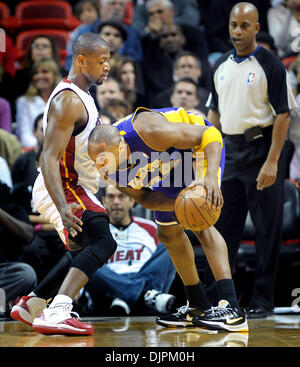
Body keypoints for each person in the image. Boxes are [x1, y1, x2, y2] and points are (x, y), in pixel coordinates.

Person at [87, 106, 249, 332]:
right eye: (98, 161)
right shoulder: (111, 169)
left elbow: (209, 135)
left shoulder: (147, 129)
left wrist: (210, 178)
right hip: (170, 164)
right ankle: (198, 305)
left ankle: (231, 307)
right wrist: (180, 205)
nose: (102, 168)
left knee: (200, 223)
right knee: (168, 233)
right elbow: (146, 198)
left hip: (199, 147)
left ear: (122, 146)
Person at [11, 33, 117, 336]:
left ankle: (31, 304)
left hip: (73, 183)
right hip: (64, 184)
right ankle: (57, 311)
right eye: (102, 60)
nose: (108, 66)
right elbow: (47, 158)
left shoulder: (82, 95)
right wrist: (61, 205)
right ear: (81, 60)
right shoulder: (68, 101)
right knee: (103, 241)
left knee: (82, 247)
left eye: (109, 59)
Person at [206, 2, 297, 319]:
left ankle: (262, 299)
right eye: (233, 25)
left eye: (245, 25)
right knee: (223, 229)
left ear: (257, 27)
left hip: (263, 149)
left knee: (267, 230)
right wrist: (210, 161)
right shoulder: (220, 64)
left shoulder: (270, 64)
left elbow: (284, 115)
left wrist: (273, 162)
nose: (237, 31)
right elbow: (213, 114)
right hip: (229, 152)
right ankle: (223, 300)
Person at [86, 184, 176, 316]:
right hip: (107, 292)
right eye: (111, 197)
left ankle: (131, 295)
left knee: (172, 245)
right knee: (85, 258)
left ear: (132, 201)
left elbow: (161, 266)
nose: (116, 202)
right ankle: (143, 295)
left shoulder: (150, 228)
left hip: (146, 281)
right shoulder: (95, 231)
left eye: (122, 196)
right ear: (103, 201)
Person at [15, 58, 62, 149]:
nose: (39, 76)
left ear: (55, 75)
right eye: (36, 73)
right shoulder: (24, 102)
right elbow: (25, 137)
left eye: (45, 72)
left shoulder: (64, 100)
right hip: (34, 150)